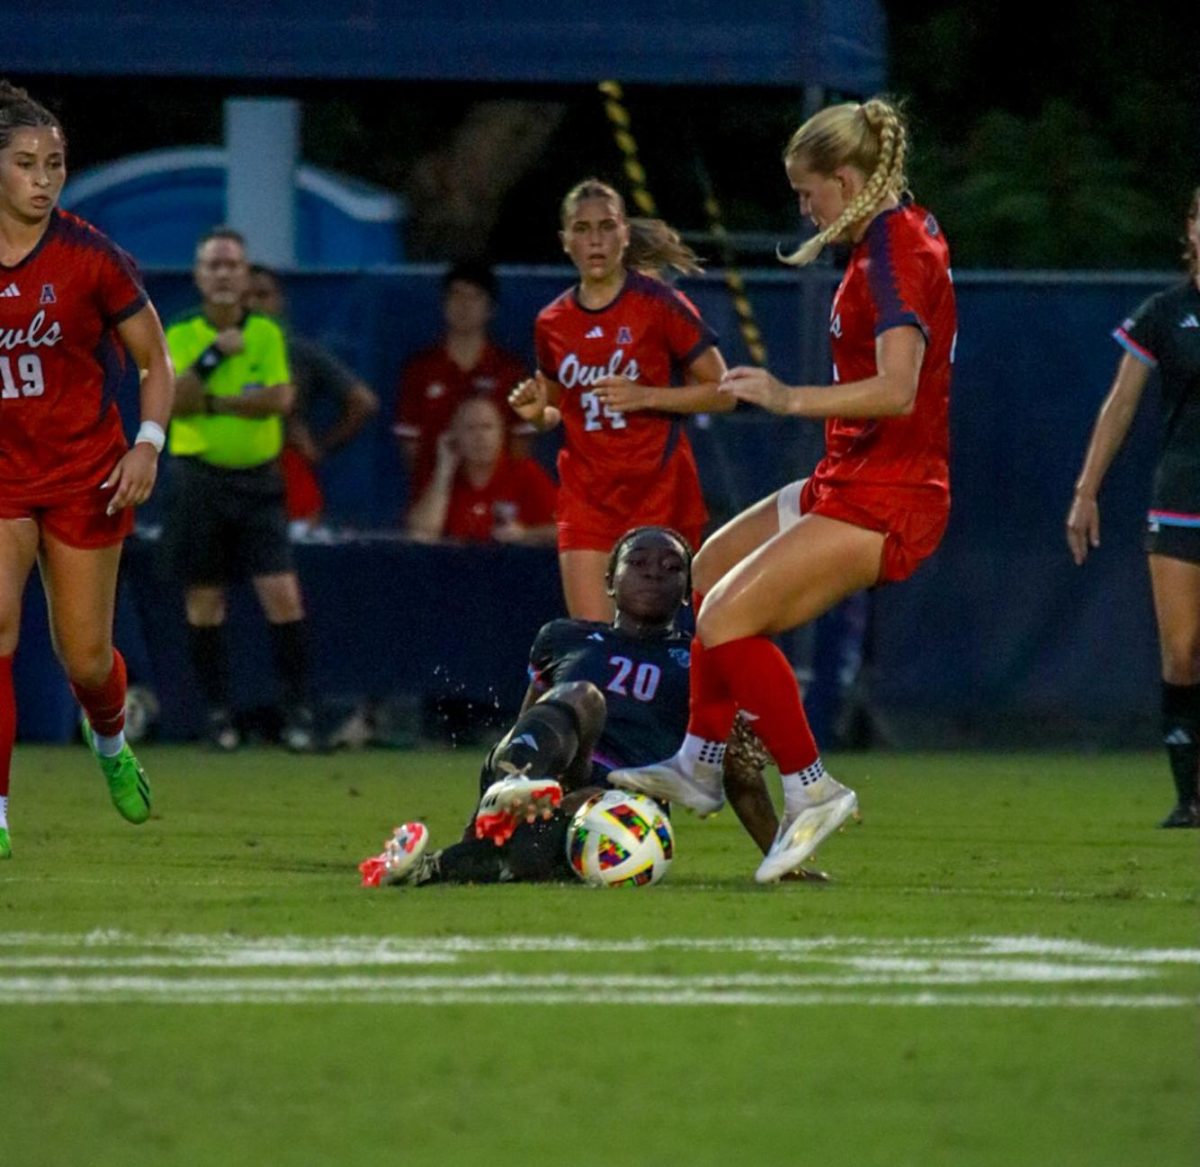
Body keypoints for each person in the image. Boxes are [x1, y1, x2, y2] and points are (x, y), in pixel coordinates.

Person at [609, 98, 957, 882]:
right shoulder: (893, 232)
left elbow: (898, 388)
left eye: (810, 193)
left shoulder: (895, 250)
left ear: (845, 178)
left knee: (731, 617)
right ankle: (699, 761)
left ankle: (812, 788)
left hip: (892, 490)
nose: (805, 208)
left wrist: (788, 397)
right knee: (705, 573)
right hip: (856, 471)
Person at [358, 526, 824, 886]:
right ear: (610, 580)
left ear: (688, 589)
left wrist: (782, 858)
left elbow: (741, 778)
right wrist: (501, 793)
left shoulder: (705, 659)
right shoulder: (562, 636)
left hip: (624, 807)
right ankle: (512, 793)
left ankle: (426, 869)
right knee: (582, 697)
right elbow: (529, 722)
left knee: (519, 854)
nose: (654, 573)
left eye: (670, 567)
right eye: (639, 562)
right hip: (548, 770)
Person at [0, 81, 173, 858]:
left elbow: (155, 361)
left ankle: (110, 741)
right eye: (26, 163)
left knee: (86, 659)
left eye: (55, 164)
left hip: (83, 474)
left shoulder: (90, 256)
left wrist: (147, 443)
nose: (43, 178)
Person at [508, 180, 733, 622]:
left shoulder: (660, 304)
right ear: (565, 241)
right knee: (593, 642)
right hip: (588, 496)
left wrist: (645, 395)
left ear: (625, 234)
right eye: (583, 228)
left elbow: (723, 391)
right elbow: (553, 408)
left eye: (607, 226)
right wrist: (535, 414)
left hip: (659, 492)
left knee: (655, 641)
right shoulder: (552, 321)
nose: (595, 240)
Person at [1066, 188, 1200, 829]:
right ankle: (1188, 798)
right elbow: (1119, 406)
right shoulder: (1164, 314)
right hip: (1180, 502)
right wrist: (1086, 490)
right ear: (1191, 230)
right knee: (1182, 652)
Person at [164, 227, 315, 752]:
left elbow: (278, 399)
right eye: (214, 265)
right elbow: (171, 401)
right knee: (204, 600)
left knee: (282, 596)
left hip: (258, 481)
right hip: (198, 478)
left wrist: (213, 402)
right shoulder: (182, 333)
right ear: (199, 275)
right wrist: (211, 360)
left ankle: (296, 715)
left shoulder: (268, 332)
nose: (224, 274)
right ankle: (217, 717)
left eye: (233, 265)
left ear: (246, 275)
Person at [243, 264, 380, 528]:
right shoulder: (214, 352)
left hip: (287, 474)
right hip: (224, 474)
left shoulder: (299, 354)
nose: (253, 304)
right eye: (245, 296)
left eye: (262, 295)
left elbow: (363, 402)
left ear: (280, 301)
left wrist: (320, 446)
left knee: (289, 562)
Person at [393, 260, 530, 504]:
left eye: (475, 297)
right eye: (456, 295)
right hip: (435, 501)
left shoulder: (510, 371)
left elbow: (519, 445)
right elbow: (410, 447)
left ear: (490, 309)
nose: (464, 306)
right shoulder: (419, 370)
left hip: (495, 505)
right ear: (444, 304)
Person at [406, 396, 557, 545]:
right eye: (470, 428)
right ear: (454, 436)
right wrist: (443, 472)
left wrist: (525, 534)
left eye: (487, 427)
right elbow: (421, 535)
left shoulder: (524, 471)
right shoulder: (442, 476)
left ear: (501, 433)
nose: (480, 437)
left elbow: (568, 529)